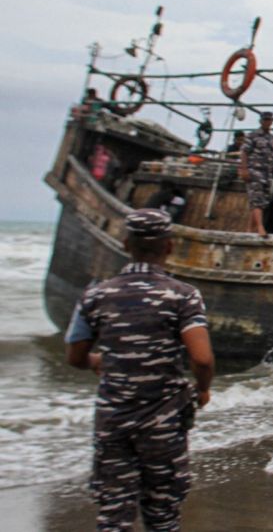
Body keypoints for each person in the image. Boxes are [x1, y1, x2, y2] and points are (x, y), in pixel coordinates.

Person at [64, 209, 214, 531]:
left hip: (114, 421)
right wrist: (202, 390)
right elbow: (202, 359)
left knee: (114, 516)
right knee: (162, 515)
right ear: (169, 247)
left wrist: (97, 362)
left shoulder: (95, 295)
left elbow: (76, 356)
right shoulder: (183, 296)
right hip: (164, 422)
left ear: (125, 243)